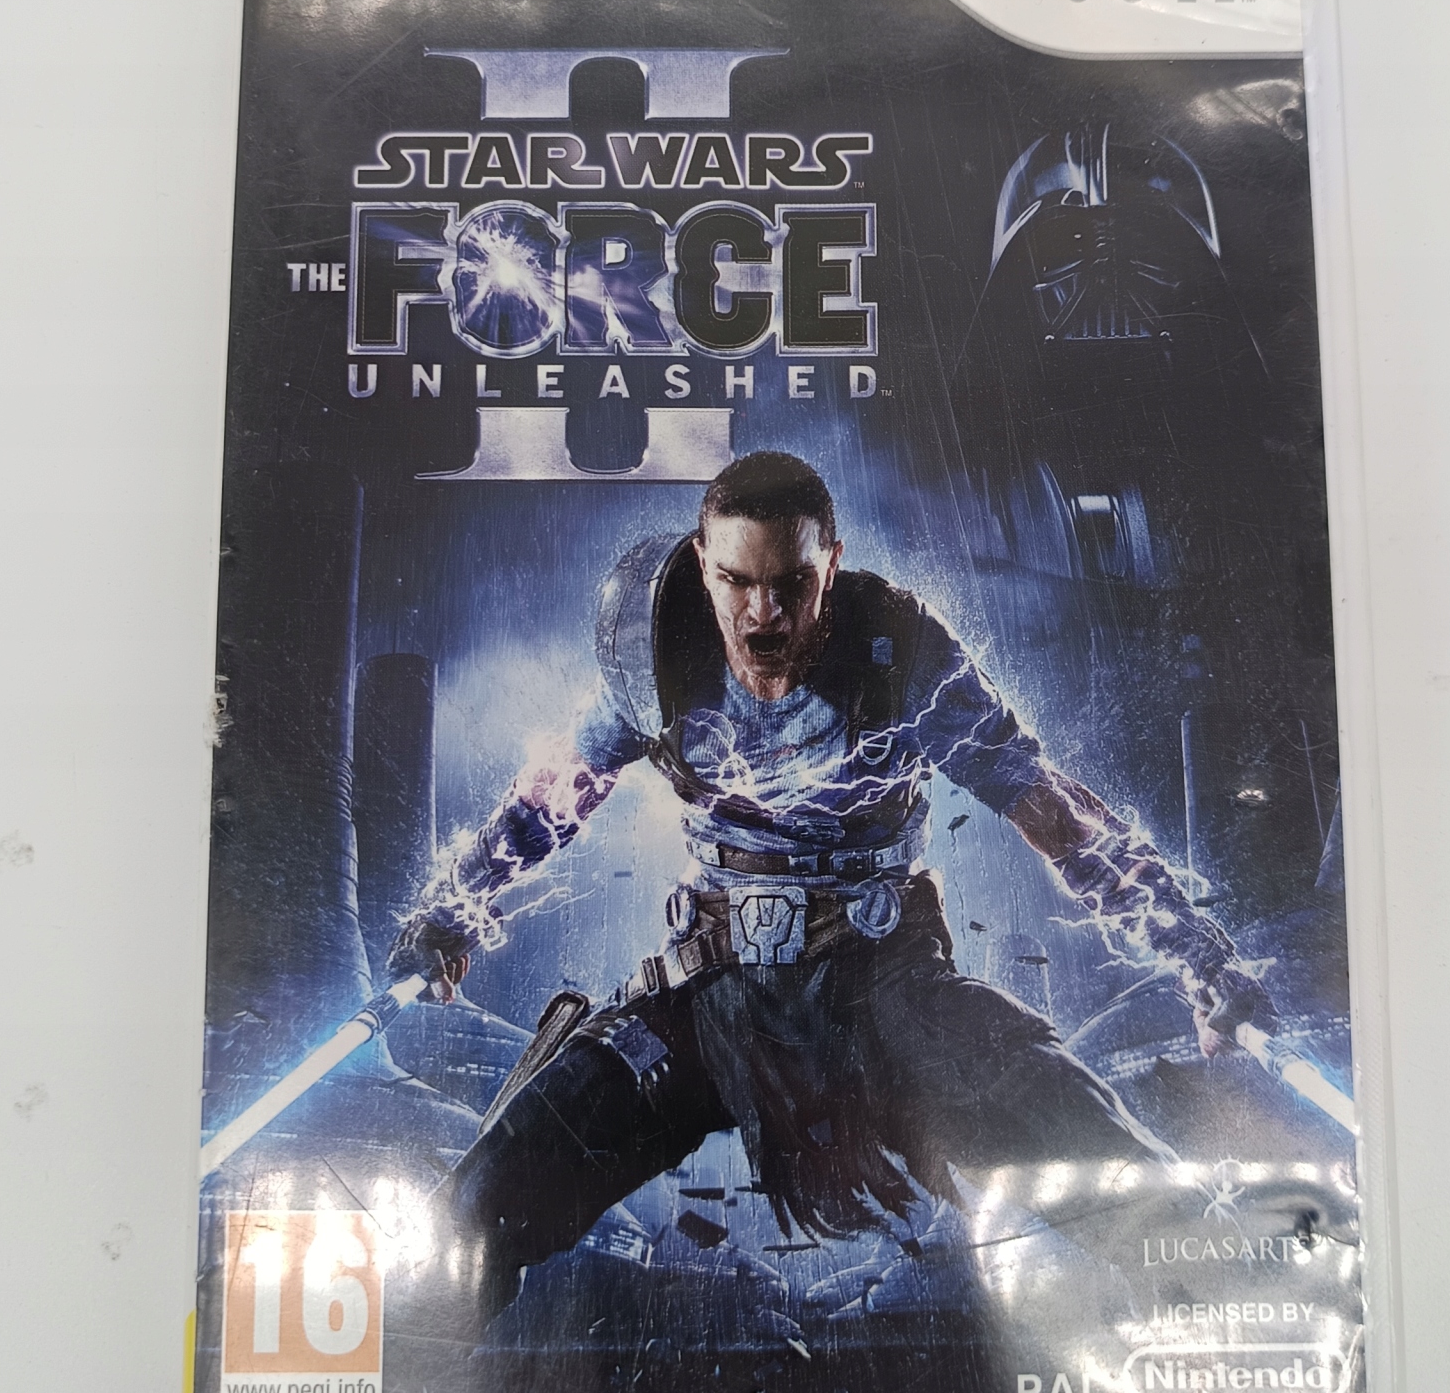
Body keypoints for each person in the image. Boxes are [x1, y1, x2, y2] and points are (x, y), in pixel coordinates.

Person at [394, 451, 1274, 1330]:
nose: (763, 615)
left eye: (791, 584)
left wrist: (1202, 961)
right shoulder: (653, 648)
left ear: (832, 565)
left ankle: (1242, 1326)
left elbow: (1052, 811)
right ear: (702, 565)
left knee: (1123, 1178)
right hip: (712, 993)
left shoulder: (900, 650)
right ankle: (410, 1365)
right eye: (737, 582)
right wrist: (450, 913)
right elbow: (553, 797)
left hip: (884, 988)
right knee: (471, 1217)